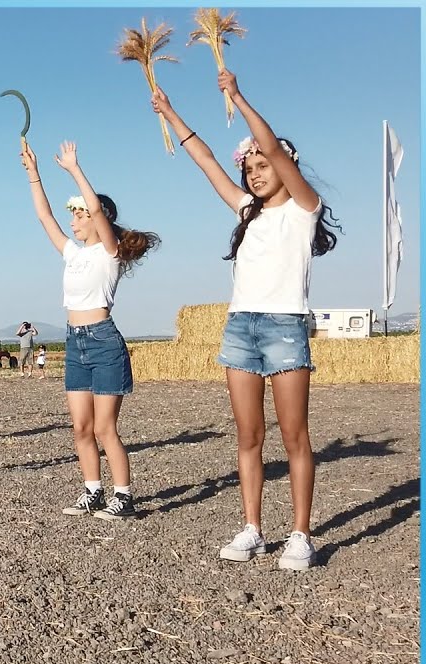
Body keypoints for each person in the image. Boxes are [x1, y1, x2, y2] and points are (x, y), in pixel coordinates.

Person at [152, 69, 341, 570]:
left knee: (295, 435)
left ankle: (301, 534)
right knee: (248, 436)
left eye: (263, 163)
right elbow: (207, 162)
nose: (256, 171)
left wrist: (237, 96)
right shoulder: (247, 213)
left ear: (285, 165)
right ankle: (253, 527)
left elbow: (274, 150)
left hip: (284, 326)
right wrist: (170, 113)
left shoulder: (304, 207)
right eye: (251, 166)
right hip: (241, 329)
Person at [20, 139, 160, 521]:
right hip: (75, 343)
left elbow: (97, 209)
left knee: (104, 428)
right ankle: (93, 490)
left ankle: (123, 496)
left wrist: (74, 170)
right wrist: (34, 174)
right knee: (80, 428)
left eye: (78, 216)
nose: (73, 221)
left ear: (96, 220)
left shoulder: (108, 253)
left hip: (103, 342)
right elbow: (45, 218)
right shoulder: (74, 253)